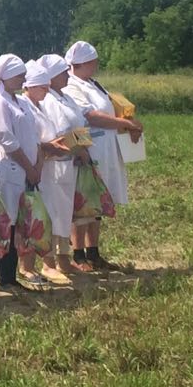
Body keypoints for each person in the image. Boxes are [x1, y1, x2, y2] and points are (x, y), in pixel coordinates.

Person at [63, 40, 141, 272]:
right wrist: (125, 123)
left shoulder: (93, 84)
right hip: (90, 146)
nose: (96, 65)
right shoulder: (71, 86)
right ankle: (78, 253)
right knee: (84, 200)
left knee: (98, 201)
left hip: (105, 146)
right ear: (82, 63)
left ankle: (93, 252)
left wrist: (124, 126)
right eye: (93, 61)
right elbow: (91, 116)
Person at [0, 54, 51, 292]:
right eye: (19, 75)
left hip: (26, 170)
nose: (23, 79)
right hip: (10, 169)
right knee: (8, 224)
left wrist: (37, 165)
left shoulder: (20, 102)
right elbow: (5, 138)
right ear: (7, 77)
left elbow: (33, 134)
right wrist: (28, 166)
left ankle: (14, 276)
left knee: (20, 223)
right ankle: (6, 278)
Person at [27, 56, 84, 283]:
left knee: (64, 211)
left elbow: (78, 126)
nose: (67, 75)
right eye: (62, 72)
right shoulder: (47, 101)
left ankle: (63, 257)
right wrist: (74, 143)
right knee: (51, 212)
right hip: (51, 165)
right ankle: (48, 262)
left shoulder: (65, 97)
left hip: (67, 160)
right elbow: (56, 133)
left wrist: (80, 144)